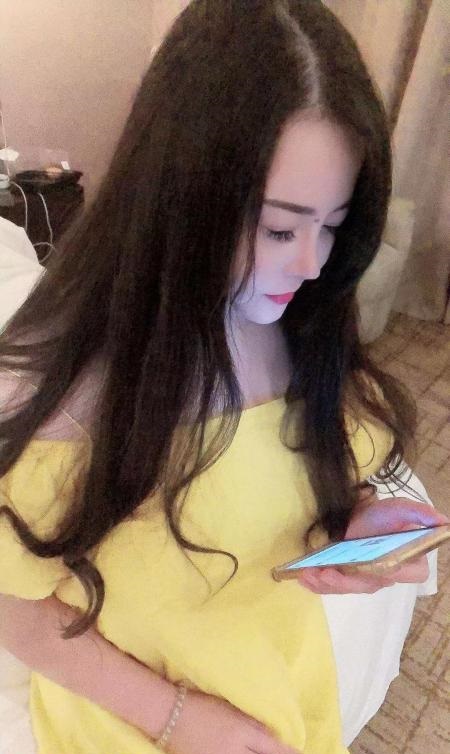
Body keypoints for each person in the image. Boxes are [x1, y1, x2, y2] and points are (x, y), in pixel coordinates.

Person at [0, 2, 447, 753]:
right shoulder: (65, 396)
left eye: (333, 225)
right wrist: (181, 719)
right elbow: (14, 609)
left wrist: (354, 518)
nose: (312, 264)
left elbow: (294, 470)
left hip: (278, 680)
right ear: (178, 197)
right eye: (281, 227)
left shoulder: (296, 320)